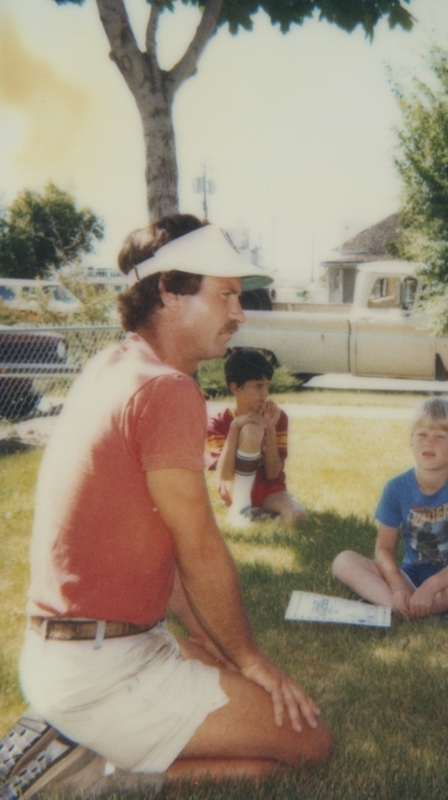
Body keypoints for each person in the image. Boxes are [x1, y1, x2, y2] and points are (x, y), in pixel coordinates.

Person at [4, 215, 332, 798]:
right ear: (169, 291)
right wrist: (253, 660)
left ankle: (83, 739)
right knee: (309, 745)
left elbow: (166, 550)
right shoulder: (167, 390)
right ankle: (100, 772)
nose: (239, 313)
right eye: (225, 294)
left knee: (231, 678)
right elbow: (201, 549)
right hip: (104, 669)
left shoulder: (112, 365)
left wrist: (217, 645)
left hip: (75, 651)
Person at [331, 397, 448, 623]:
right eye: (422, 435)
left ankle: (402, 608)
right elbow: (383, 549)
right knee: (344, 561)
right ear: (411, 441)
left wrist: (431, 587)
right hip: (408, 577)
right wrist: (399, 586)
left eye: (440, 437)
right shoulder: (395, 487)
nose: (429, 443)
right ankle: (412, 605)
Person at [207, 348, 307, 527]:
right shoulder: (218, 421)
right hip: (234, 486)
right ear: (235, 387)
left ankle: (258, 517)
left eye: (267, 385)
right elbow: (224, 475)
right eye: (258, 386)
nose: (265, 393)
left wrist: (269, 427)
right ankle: (241, 506)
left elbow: (273, 473)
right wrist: (235, 427)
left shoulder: (277, 417)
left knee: (297, 516)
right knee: (251, 430)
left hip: (267, 487)